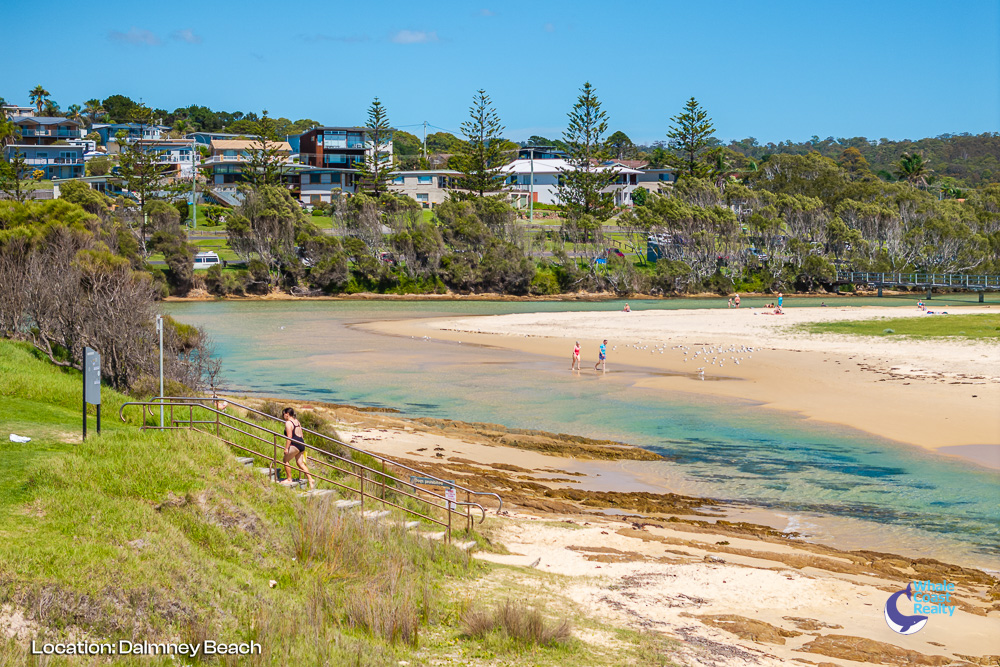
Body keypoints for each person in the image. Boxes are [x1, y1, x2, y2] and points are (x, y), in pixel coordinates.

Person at [281, 408, 315, 489]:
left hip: (295, 444)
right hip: (301, 443)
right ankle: (310, 479)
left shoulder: (288, 423)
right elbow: (301, 434)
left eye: (283, 414)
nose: (283, 416)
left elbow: (289, 437)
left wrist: (286, 448)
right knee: (300, 463)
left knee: (285, 460)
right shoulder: (297, 422)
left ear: (287, 414)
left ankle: (289, 479)